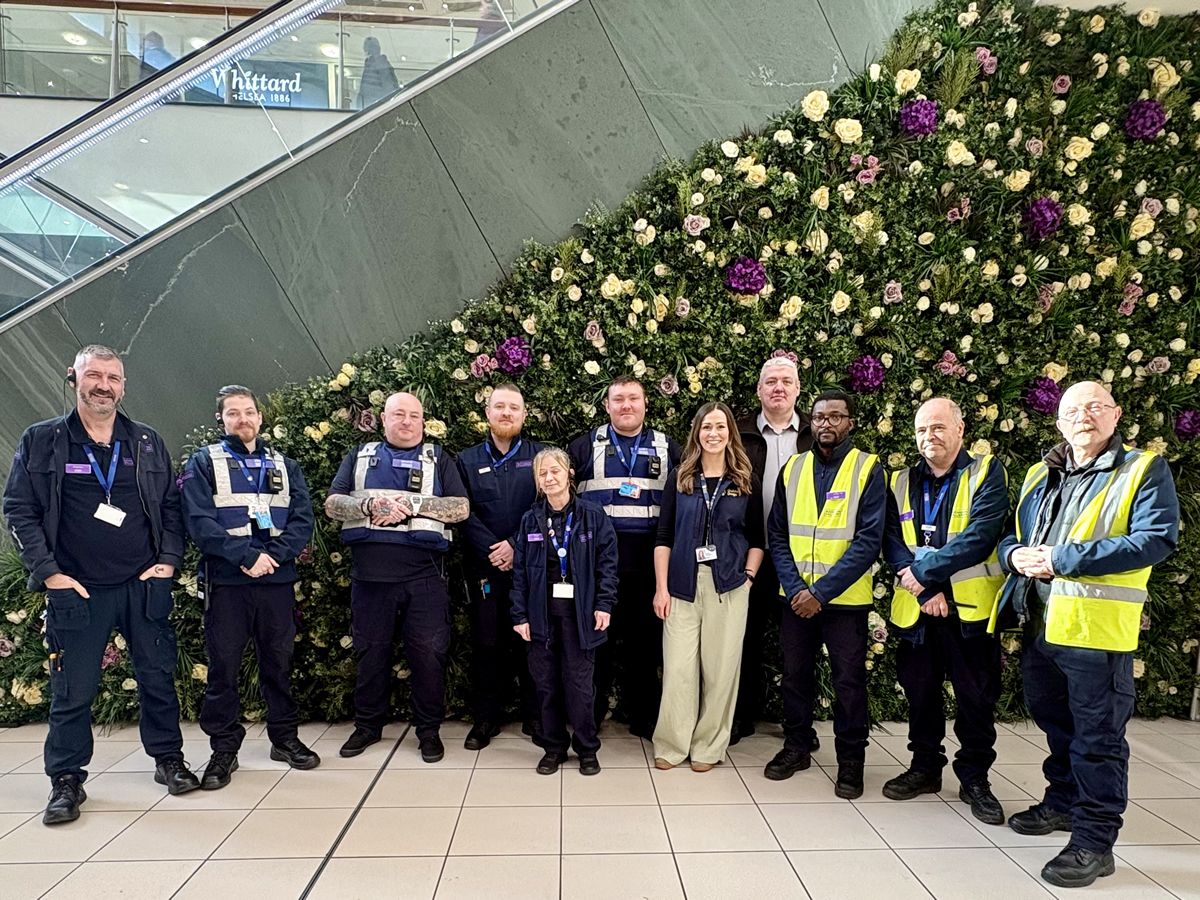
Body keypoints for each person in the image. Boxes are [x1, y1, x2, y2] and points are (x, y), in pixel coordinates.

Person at [3, 345, 200, 825]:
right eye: (95, 375)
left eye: (113, 377)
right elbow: (20, 509)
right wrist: (50, 573)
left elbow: (171, 509)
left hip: (142, 584)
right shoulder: (43, 440)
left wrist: (169, 561)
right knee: (73, 690)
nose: (104, 385)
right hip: (77, 590)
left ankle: (168, 760)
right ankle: (66, 780)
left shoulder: (147, 441)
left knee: (157, 678)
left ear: (123, 386)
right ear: (74, 378)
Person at [993, 381, 1178, 888]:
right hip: (1041, 623)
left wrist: (1061, 560)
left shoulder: (1141, 469)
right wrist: (1014, 555)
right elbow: (1015, 535)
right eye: (1073, 409)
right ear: (1058, 420)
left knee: (1098, 739)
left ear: (1115, 415)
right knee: (1057, 725)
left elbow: (1156, 538)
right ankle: (1063, 803)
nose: (1084, 416)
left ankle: (1095, 842)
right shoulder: (1041, 471)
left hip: (1095, 631)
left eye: (1095, 407)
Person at [179, 385, 318, 790]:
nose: (243, 419)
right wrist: (246, 556)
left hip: (276, 579)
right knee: (223, 668)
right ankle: (224, 749)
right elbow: (200, 523)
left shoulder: (285, 465)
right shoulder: (204, 462)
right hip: (228, 583)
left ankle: (285, 738)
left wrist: (273, 555)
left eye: (250, 412)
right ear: (220, 419)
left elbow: (302, 518)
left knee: (279, 662)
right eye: (233, 413)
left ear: (260, 417)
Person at [324, 391, 469, 763]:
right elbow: (332, 503)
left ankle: (428, 731)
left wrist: (412, 506)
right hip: (370, 579)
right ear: (383, 419)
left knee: (429, 656)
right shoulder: (359, 457)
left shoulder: (439, 459)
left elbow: (461, 507)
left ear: (423, 422)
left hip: (424, 578)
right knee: (371, 654)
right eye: (398, 415)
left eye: (414, 416)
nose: (407, 422)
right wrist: (370, 506)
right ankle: (368, 727)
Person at [881, 398, 1007, 823]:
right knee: (920, 693)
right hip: (918, 608)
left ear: (960, 429)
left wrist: (926, 575)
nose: (928, 437)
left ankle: (975, 778)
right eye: (921, 430)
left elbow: (981, 535)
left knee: (975, 697)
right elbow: (891, 540)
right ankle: (924, 768)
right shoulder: (898, 481)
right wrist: (922, 588)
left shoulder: (986, 473)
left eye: (937, 428)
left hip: (967, 611)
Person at [764, 390, 885, 799]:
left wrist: (821, 592)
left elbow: (869, 541)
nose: (826, 424)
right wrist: (799, 589)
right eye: (819, 418)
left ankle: (851, 761)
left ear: (850, 422)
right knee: (795, 677)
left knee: (848, 682)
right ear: (809, 423)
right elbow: (777, 534)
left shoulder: (867, 468)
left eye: (836, 417)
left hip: (844, 602)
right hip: (795, 599)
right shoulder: (793, 468)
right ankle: (796, 747)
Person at [652, 402, 764, 771]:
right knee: (679, 670)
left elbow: (757, 538)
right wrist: (661, 588)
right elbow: (664, 536)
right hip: (682, 586)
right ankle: (671, 744)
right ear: (696, 433)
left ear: (730, 432)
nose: (713, 434)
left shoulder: (745, 480)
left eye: (720, 427)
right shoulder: (681, 479)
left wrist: (747, 579)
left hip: (728, 587)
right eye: (706, 427)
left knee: (720, 672)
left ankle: (708, 747)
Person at [569, 376, 680, 737]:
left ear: (646, 404)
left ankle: (644, 715)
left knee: (646, 645)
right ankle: (592, 714)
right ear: (607, 406)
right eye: (619, 399)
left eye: (634, 398)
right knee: (595, 642)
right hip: (597, 564)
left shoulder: (668, 447)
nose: (627, 405)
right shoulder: (584, 447)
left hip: (649, 564)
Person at [510, 448, 618, 775]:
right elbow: (519, 573)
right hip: (540, 616)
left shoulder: (593, 516)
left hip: (581, 616)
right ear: (538, 482)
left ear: (569, 474)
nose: (549, 477)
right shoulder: (530, 519)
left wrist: (604, 604)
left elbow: (608, 565)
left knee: (580, 686)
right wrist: (520, 616)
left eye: (555, 471)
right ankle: (553, 747)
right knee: (545, 685)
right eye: (542, 473)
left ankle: (586, 748)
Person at [456, 383, 543, 750]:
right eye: (500, 407)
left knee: (533, 642)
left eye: (514, 407)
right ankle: (486, 718)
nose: (507, 413)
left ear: (524, 415)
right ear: (488, 413)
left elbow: (545, 505)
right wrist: (494, 548)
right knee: (487, 643)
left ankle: (537, 716)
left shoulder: (540, 457)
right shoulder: (467, 460)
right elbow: (462, 511)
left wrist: (514, 544)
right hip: (485, 568)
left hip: (529, 567)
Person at [734, 353, 813, 746]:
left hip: (799, 562)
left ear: (798, 389)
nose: (778, 388)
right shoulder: (740, 432)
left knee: (797, 648)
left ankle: (798, 726)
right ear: (759, 390)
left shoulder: (814, 435)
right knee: (742, 640)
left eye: (786, 381)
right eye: (771, 382)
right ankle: (740, 718)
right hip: (749, 553)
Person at [357, 36, 399, 109]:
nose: (365, 50)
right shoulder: (370, 63)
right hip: (370, 105)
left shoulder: (381, 64)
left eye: (367, 48)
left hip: (376, 106)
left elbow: (389, 87)